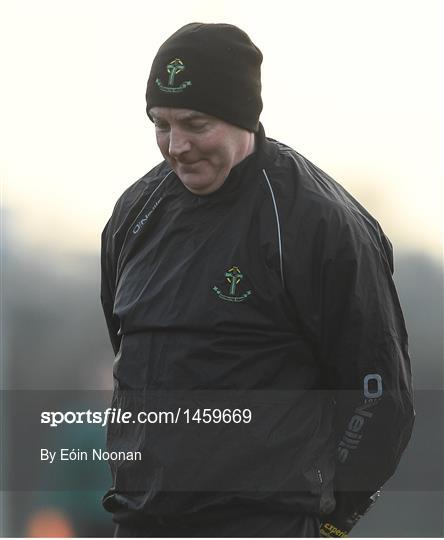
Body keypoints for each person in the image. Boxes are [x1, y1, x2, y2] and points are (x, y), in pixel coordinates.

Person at [100, 22, 414, 537]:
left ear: (242, 116)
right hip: (140, 521)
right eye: (161, 124)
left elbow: (378, 392)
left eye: (196, 123)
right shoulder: (135, 212)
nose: (176, 146)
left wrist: (334, 518)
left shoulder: (319, 222)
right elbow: (124, 349)